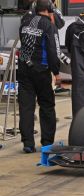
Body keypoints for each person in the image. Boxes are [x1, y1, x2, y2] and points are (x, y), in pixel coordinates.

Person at [18, 0, 61, 153]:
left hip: (23, 69)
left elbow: (23, 44)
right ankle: (47, 143)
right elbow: (53, 51)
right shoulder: (50, 25)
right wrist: (56, 72)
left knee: (26, 107)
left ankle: (28, 144)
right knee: (47, 106)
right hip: (41, 71)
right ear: (50, 9)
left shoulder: (25, 21)